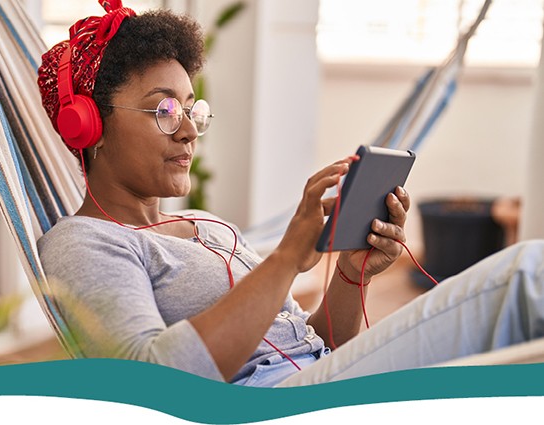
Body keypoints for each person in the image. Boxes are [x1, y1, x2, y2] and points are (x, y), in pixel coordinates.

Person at [35, 1, 544, 387]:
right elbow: (151, 384)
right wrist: (285, 260)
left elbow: (315, 342)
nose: (188, 131)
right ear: (90, 126)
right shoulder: (85, 242)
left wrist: (352, 272)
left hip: (319, 378)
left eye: (192, 110)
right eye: (164, 110)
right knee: (526, 277)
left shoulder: (211, 226)